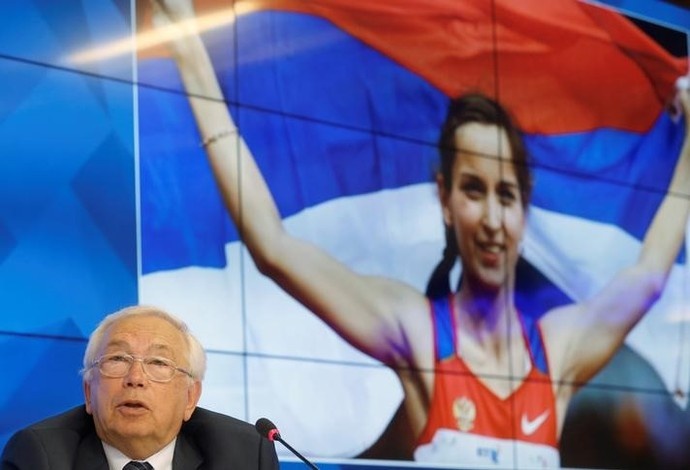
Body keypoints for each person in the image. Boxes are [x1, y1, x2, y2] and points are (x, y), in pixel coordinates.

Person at [149, 0, 690, 467]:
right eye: (473, 190)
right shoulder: (419, 332)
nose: (492, 219)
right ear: (445, 201)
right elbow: (273, 246)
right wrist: (192, 56)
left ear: (524, 211)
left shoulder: (558, 350)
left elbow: (648, 275)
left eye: (506, 195)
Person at [0, 305, 279, 470]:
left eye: (158, 362)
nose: (135, 378)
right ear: (88, 393)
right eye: (117, 359)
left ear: (190, 398)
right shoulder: (39, 456)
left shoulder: (244, 455)